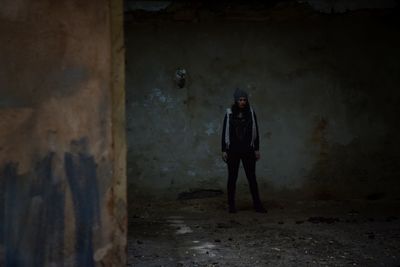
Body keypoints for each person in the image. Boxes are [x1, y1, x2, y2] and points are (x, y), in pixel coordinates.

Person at [221, 88, 266, 213]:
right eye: (240, 100)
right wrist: (224, 150)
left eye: (244, 100)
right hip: (233, 151)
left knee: (252, 178)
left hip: (248, 150)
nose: (242, 102)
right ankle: (231, 205)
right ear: (236, 101)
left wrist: (256, 149)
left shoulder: (251, 112)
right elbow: (225, 131)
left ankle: (257, 205)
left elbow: (255, 132)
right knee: (232, 178)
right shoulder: (229, 113)